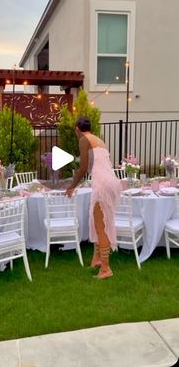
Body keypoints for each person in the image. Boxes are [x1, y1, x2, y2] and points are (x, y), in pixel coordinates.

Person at [65, 116, 121, 279]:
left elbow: (83, 169)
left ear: (77, 128)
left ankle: (105, 269)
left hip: (102, 185)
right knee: (96, 221)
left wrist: (71, 186)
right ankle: (96, 259)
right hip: (110, 182)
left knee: (101, 225)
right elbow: (95, 166)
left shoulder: (83, 139)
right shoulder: (98, 140)